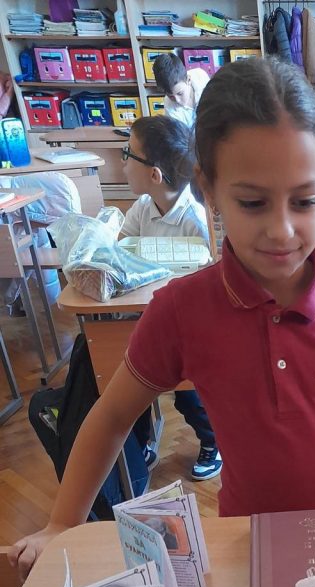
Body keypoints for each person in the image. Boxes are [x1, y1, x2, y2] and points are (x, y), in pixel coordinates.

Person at [10, 58, 315, 582]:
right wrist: (62, 523)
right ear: (208, 189)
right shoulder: (181, 311)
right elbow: (110, 417)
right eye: (253, 202)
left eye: (304, 201)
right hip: (247, 548)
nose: (282, 229)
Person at [120, 115, 223, 482]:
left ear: (155, 174)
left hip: (189, 326)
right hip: (146, 317)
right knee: (131, 379)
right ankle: (143, 441)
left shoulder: (194, 219)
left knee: (188, 393)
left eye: (128, 154)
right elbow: (122, 250)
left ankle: (213, 442)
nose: (122, 163)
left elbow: (207, 282)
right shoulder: (142, 208)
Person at [152, 53, 209, 128]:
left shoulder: (201, 77)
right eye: (171, 96)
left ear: (188, 80)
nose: (177, 100)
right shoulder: (169, 106)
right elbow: (180, 133)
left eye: (180, 93)